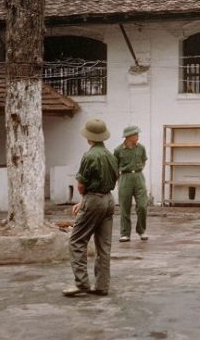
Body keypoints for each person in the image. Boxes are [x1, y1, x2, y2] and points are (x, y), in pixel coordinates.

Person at [63, 118, 119, 297]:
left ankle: (81, 283)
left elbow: (81, 185)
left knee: (77, 241)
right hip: (109, 200)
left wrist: (85, 200)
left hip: (93, 199)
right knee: (104, 245)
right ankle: (102, 285)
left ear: (89, 137)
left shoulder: (89, 155)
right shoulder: (110, 155)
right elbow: (114, 178)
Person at [114, 125, 149, 242]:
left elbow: (144, 160)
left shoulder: (141, 148)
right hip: (125, 177)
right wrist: (117, 181)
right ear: (128, 136)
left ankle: (141, 230)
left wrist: (137, 170)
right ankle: (125, 233)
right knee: (125, 207)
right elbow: (115, 166)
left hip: (139, 177)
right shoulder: (118, 150)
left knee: (143, 206)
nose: (138, 136)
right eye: (135, 134)